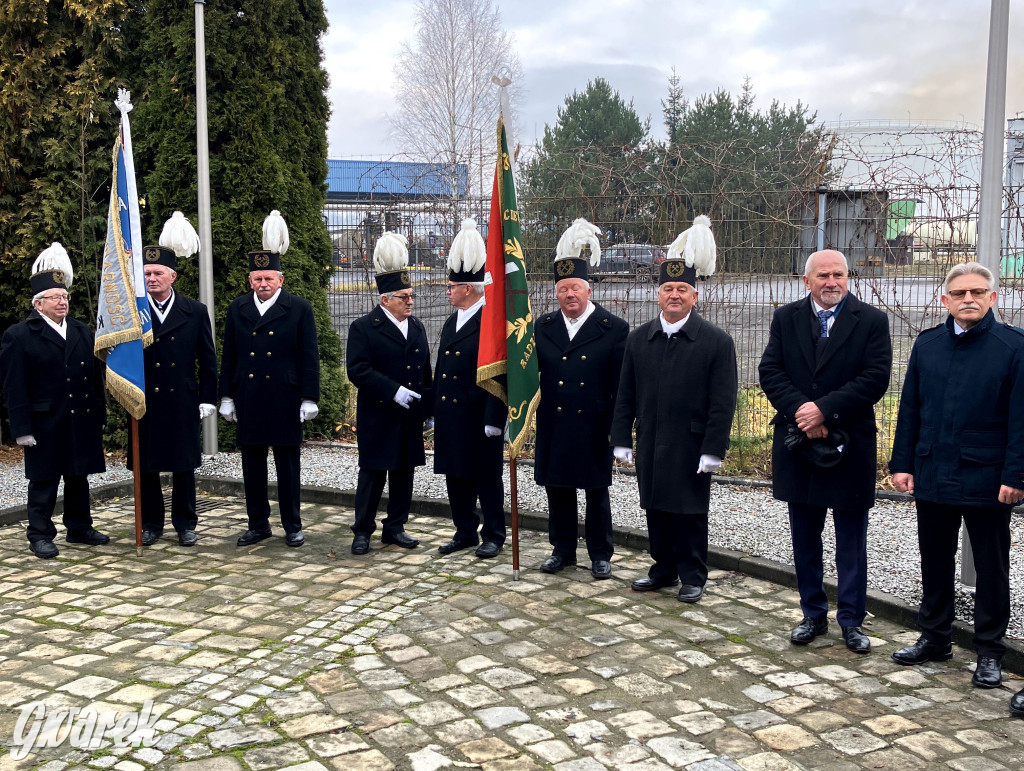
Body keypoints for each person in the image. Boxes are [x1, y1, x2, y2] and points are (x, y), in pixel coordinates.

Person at [888, 262, 1024, 706]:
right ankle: (935, 638)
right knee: (934, 558)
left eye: (978, 292)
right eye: (960, 292)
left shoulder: (1012, 348)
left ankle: (989, 652)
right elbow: (911, 409)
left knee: (991, 566)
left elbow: (1022, 421)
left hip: (988, 478)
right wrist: (902, 462)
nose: (969, 299)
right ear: (944, 299)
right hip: (932, 473)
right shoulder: (927, 346)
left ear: (993, 298)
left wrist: (1016, 475)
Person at [758, 249, 891, 654]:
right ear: (807, 281)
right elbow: (770, 370)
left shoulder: (871, 320)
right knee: (804, 534)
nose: (832, 281)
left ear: (848, 277)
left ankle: (851, 619)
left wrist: (825, 410)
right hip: (800, 442)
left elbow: (875, 377)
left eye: (839, 274)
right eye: (823, 275)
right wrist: (802, 410)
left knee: (851, 538)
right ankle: (812, 613)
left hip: (849, 443)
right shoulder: (787, 317)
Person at [611, 216, 737, 601]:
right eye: (668, 289)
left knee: (689, 511)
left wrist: (714, 447)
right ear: (658, 294)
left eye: (683, 289)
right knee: (655, 506)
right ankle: (662, 568)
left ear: (695, 296)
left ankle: (693, 574)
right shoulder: (639, 339)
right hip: (651, 438)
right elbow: (625, 393)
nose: (675, 295)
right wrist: (621, 440)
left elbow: (723, 400)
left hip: (692, 442)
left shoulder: (715, 342)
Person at [0, 243, 109, 559]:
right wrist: (21, 428)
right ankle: (40, 533)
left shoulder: (81, 331)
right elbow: (14, 386)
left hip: (79, 416)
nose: (62, 302)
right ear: (38, 303)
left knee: (78, 476)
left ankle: (79, 527)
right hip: (45, 420)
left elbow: (94, 377)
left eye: (65, 297)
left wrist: (98, 413)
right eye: (55, 298)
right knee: (44, 479)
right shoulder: (19, 335)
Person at [219, 210, 320, 548]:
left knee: (288, 466)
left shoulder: (299, 309)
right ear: (250, 281)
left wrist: (309, 397)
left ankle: (292, 524)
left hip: (285, 397)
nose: (262, 285)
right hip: (249, 395)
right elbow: (229, 355)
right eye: (257, 279)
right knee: (252, 465)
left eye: (268, 278)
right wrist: (226, 396)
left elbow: (309, 356)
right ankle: (258, 524)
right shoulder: (238, 309)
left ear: (281, 279)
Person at [533, 218, 628, 580]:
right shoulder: (542, 327)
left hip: (594, 422)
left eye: (575, 288)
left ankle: (601, 553)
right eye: (563, 289)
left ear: (588, 290)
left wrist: (619, 430)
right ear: (556, 293)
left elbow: (622, 385)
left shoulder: (613, 328)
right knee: (558, 488)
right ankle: (562, 550)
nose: (569, 295)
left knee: (595, 491)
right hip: (555, 421)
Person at [134, 213, 218, 547]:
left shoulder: (194, 311)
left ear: (173, 276)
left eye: (157, 273)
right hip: (146, 399)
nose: (151, 279)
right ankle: (151, 523)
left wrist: (208, 398)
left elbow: (207, 359)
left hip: (182, 397)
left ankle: (185, 522)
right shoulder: (133, 312)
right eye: (147, 274)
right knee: (148, 465)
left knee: (184, 465)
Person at [346, 231, 432, 555]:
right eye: (403, 296)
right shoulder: (363, 328)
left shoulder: (418, 327)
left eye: (411, 295)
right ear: (385, 300)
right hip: (379, 415)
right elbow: (358, 370)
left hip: (408, 417)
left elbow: (425, 370)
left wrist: (427, 409)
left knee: (403, 474)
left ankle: (395, 527)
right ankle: (362, 531)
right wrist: (393, 391)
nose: (410, 301)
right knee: (372, 474)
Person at [433, 219, 507, 558]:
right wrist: (435, 410)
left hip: (479, 414)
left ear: (468, 288)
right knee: (455, 475)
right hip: (452, 412)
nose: (447, 291)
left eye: (451, 286)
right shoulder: (452, 321)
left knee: (485, 477)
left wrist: (495, 417)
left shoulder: (490, 320)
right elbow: (442, 370)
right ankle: (464, 531)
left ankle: (493, 533)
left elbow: (500, 371)